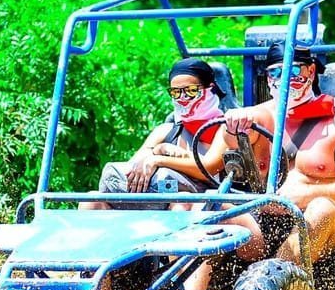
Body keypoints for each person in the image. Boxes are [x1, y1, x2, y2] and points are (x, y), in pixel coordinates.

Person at [222, 42, 335, 263]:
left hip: (324, 225)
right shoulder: (257, 118)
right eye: (275, 72)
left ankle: (272, 277)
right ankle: (183, 287)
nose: (283, 78)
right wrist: (233, 125)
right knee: (208, 207)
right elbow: (229, 141)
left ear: (311, 71)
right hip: (261, 222)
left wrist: (305, 195)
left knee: (322, 208)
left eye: (292, 70)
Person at [80, 58, 230, 211]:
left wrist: (159, 160)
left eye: (191, 91)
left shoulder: (226, 130)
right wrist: (158, 150)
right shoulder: (165, 131)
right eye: (176, 92)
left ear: (210, 89)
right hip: (156, 206)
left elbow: (208, 169)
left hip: (205, 206)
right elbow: (135, 167)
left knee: (181, 203)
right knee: (90, 200)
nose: (182, 98)